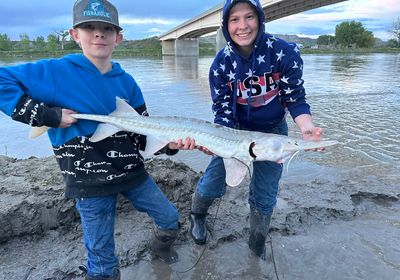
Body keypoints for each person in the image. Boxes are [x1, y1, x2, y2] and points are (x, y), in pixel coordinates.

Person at [0, 0, 196, 279]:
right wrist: (49, 116)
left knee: (169, 218)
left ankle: (160, 248)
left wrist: (170, 145)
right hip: (88, 181)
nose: (98, 34)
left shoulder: (127, 82)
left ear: (119, 37)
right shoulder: (55, 72)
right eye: (89, 27)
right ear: (74, 34)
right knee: (102, 260)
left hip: (132, 172)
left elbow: (142, 135)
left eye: (106, 28)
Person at [189, 0, 325, 259]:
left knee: (265, 194)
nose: (242, 26)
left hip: (273, 132)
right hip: (234, 131)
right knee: (213, 182)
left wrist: (307, 127)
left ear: (260, 19)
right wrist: (216, 142)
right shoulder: (221, 65)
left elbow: (295, 98)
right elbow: (222, 112)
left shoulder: (284, 53)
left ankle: (257, 243)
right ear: (225, 25)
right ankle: (197, 215)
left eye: (249, 17)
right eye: (234, 19)